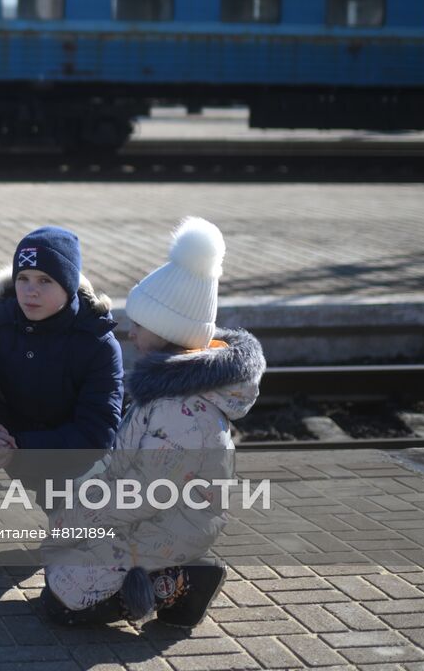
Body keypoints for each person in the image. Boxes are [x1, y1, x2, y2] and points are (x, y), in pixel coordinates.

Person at [42, 217, 264, 629]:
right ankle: (155, 577)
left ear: (167, 330)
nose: (130, 334)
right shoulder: (168, 394)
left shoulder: (181, 411)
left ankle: (182, 583)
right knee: (58, 569)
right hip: (153, 519)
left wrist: (81, 515)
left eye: (139, 325)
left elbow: (147, 492)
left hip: (172, 527)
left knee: (63, 602)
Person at [0, 225, 125, 553]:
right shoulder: (6, 321)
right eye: (23, 278)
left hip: (69, 457)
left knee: (74, 552)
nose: (30, 291)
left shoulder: (97, 342)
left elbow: (97, 435)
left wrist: (19, 449)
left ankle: (73, 519)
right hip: (11, 435)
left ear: (68, 285)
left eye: (45, 281)